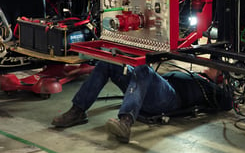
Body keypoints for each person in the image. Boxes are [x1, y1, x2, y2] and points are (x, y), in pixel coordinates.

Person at [52, 61, 233, 143]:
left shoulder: (210, 88)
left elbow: (228, 103)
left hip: (169, 99)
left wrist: (223, 84)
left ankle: (125, 123)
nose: (210, 66)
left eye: (215, 67)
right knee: (107, 63)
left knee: (144, 69)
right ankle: (78, 110)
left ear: (219, 76)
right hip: (151, 91)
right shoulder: (196, 75)